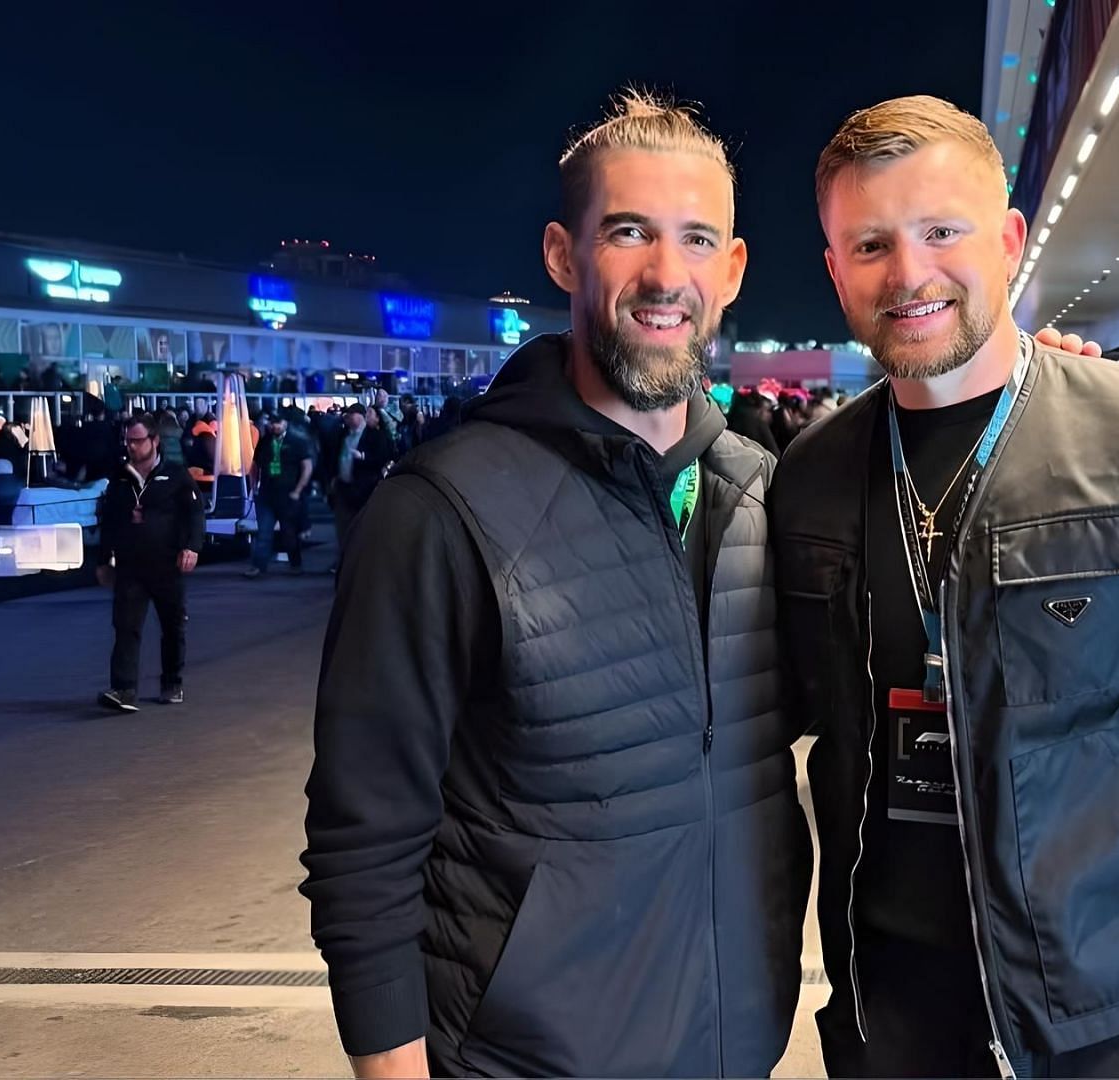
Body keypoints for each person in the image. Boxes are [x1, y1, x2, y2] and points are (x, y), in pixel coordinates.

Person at [771, 96, 1119, 1080]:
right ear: (833, 267)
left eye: (942, 231)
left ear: (1010, 238)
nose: (909, 274)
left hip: (1116, 1028)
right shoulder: (811, 477)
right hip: (889, 1025)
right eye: (870, 245)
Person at [300, 89, 811, 1078]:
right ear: (563, 256)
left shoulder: (761, 493)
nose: (668, 274)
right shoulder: (440, 512)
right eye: (629, 232)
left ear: (734, 268)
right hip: (525, 1057)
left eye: (698, 238)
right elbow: (364, 837)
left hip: (732, 1042)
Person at [94, 415, 205, 711]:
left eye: (137, 440)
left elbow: (195, 514)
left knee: (172, 626)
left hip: (167, 564)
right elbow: (110, 522)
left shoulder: (176, 475)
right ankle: (124, 688)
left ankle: (172, 681)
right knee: (126, 626)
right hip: (131, 566)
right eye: (128, 440)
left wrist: (192, 547)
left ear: (154, 441)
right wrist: (104, 560)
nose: (131, 446)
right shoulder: (119, 478)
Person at [244, 412, 314, 578]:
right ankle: (259, 566)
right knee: (264, 532)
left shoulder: (297, 442)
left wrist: (298, 490)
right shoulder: (265, 442)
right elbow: (255, 465)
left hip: (288, 494)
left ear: (285, 423)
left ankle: (295, 564)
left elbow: (307, 466)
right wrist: (253, 486)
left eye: (278, 423)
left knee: (289, 532)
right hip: (267, 493)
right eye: (272, 423)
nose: (275, 426)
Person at [322, 404, 391, 564]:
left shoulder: (375, 436)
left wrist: (363, 457)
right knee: (343, 526)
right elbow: (332, 457)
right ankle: (345, 560)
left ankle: (364, 560)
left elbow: (382, 458)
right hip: (343, 486)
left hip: (364, 488)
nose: (347, 419)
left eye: (351, 415)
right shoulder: (342, 435)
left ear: (360, 417)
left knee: (364, 526)